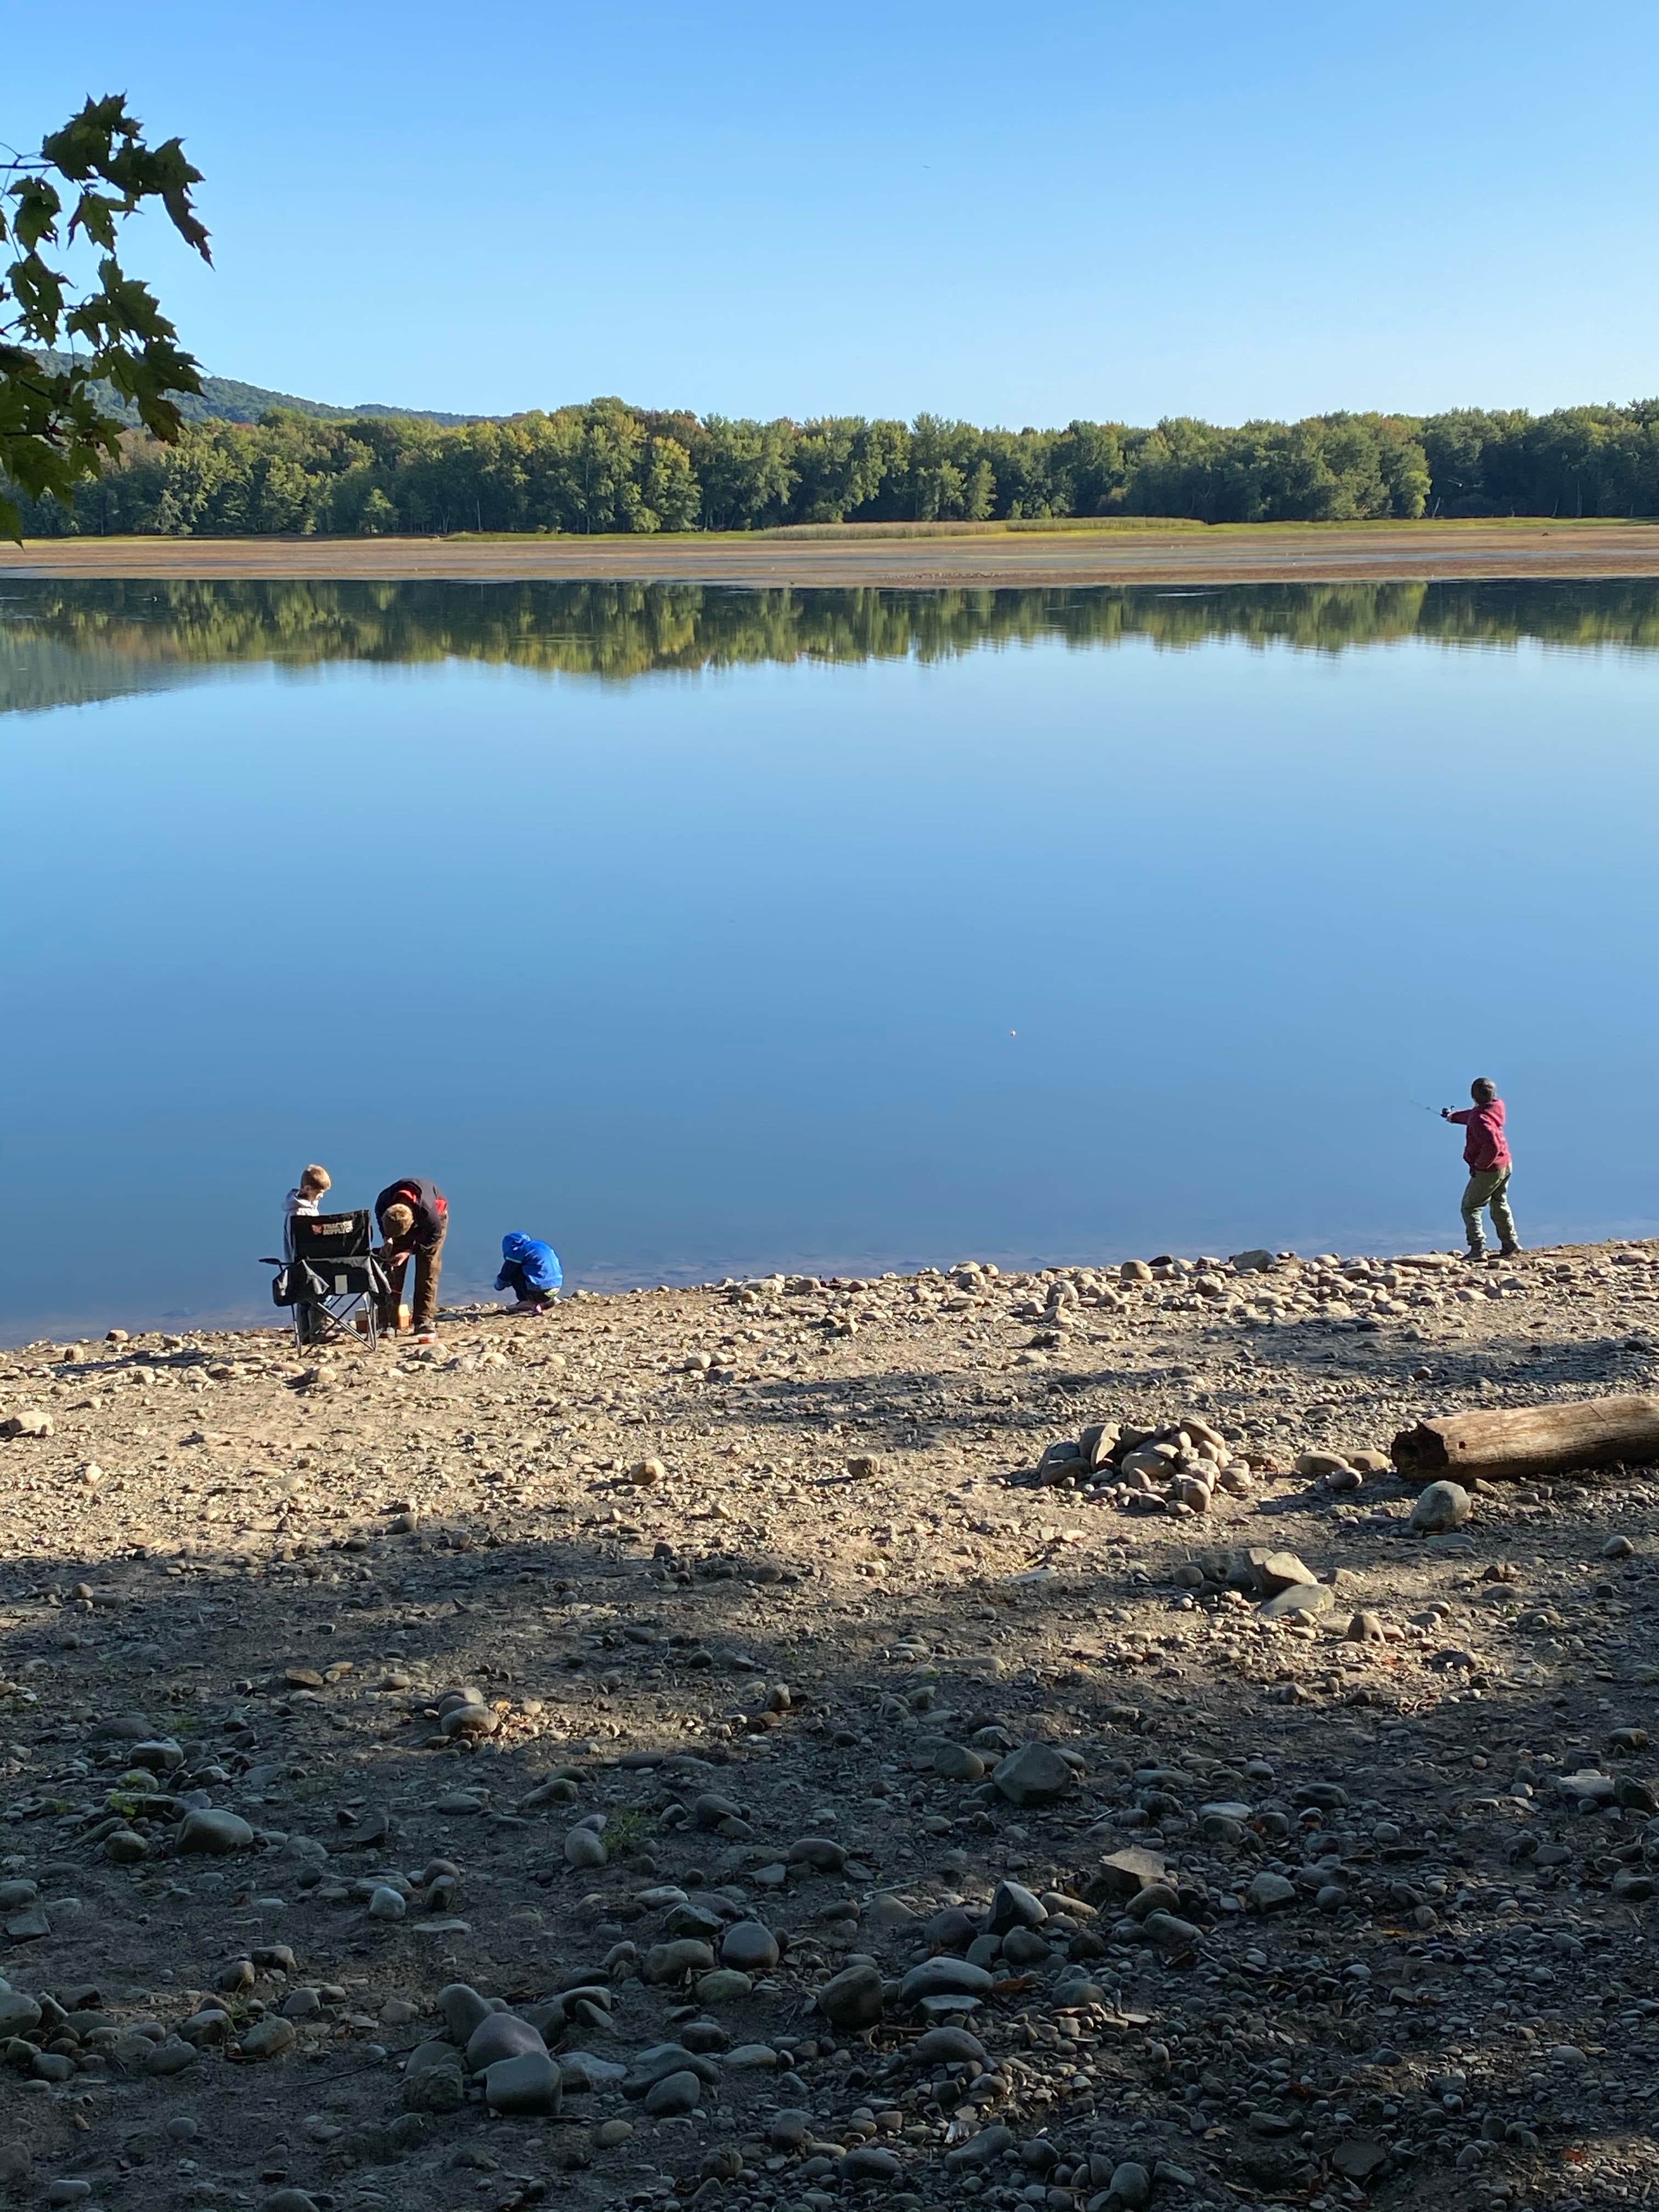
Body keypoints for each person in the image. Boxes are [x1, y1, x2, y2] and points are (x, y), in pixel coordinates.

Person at [1442, 1078, 1521, 1260]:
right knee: (1499, 1202)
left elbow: (1491, 1144)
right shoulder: (1496, 1107)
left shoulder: (1479, 1119)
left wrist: (1480, 1166)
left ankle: (1478, 1249)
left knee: (1470, 1207)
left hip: (1490, 1169)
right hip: (1505, 1163)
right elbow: (1474, 1116)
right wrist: (1453, 1117)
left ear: (1473, 1095)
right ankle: (1510, 1243)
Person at [374, 1177, 449, 1340]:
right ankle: (388, 1323)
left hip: (435, 1223)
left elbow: (434, 1236)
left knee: (428, 1270)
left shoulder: (430, 1215)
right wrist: (388, 1238)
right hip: (399, 1223)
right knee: (391, 1270)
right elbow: (383, 1224)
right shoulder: (382, 1203)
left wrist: (409, 1251)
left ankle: (423, 1322)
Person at [495, 1232, 562, 1313]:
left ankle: (527, 1302)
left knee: (515, 1271)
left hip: (538, 1292)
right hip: (556, 1288)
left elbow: (505, 1276)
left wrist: (498, 1286)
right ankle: (549, 1300)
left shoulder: (517, 1251)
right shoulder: (539, 1246)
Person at [283, 1164, 332, 1259]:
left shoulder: (311, 1209)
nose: (322, 1196)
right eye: (319, 1193)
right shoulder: (298, 1213)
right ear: (307, 1189)